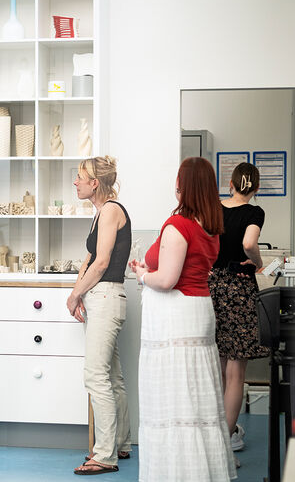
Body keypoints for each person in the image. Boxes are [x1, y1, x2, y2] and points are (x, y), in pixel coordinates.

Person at [129, 157, 236, 481]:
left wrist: (142, 276)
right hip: (198, 310)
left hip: (175, 316)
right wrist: (151, 271)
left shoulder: (178, 225)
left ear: (183, 185)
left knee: (173, 397)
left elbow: (167, 280)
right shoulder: (210, 226)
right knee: (195, 397)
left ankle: (175, 473)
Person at [66, 156, 132, 476]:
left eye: (80, 177)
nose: (75, 182)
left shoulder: (111, 211)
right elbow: (90, 258)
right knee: (113, 377)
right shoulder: (100, 212)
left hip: (105, 298)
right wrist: (78, 291)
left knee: (95, 376)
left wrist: (74, 295)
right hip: (101, 297)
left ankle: (105, 455)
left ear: (94, 183)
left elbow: (102, 262)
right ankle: (120, 443)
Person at [208, 163, 268, 455]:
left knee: (219, 368)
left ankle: (216, 436)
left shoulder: (214, 209)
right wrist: (257, 262)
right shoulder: (254, 212)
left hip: (212, 287)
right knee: (235, 371)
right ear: (256, 188)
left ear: (230, 184)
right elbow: (249, 242)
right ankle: (225, 440)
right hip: (239, 288)